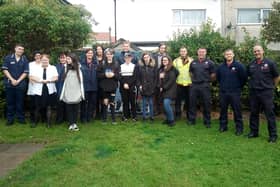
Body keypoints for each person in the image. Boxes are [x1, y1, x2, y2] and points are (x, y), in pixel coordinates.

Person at [247, 45, 280, 143]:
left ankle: (273, 135)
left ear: (263, 51)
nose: (257, 53)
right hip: (254, 92)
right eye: (255, 51)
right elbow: (249, 76)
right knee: (253, 113)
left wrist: (272, 87)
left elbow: (277, 77)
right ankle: (254, 132)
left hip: (266, 92)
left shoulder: (270, 63)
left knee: (269, 114)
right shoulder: (251, 64)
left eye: (258, 51)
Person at [216, 49, 247, 136]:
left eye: (230, 54)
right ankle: (223, 126)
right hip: (223, 92)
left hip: (235, 92)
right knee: (223, 110)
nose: (228, 55)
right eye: (226, 54)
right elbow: (218, 78)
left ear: (233, 55)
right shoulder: (220, 67)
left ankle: (239, 128)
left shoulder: (239, 66)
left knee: (237, 111)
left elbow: (244, 78)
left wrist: (237, 87)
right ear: (224, 56)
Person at [2, 43, 29, 125]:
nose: (21, 51)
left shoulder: (24, 59)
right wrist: (12, 80)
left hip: (20, 84)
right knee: (10, 102)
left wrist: (18, 80)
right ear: (15, 49)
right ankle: (10, 119)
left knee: (20, 102)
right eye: (19, 49)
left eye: (22, 49)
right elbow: (5, 70)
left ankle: (21, 118)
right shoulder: (8, 58)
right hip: (9, 84)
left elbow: (26, 72)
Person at [189, 47, 215, 128]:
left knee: (206, 104)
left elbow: (213, 74)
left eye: (203, 52)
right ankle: (192, 120)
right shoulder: (193, 62)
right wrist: (194, 79)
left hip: (205, 85)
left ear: (205, 53)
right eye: (200, 52)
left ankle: (207, 121)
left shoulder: (210, 62)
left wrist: (208, 81)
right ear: (197, 53)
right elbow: (190, 72)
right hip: (194, 85)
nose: (201, 53)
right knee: (192, 103)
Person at [29, 54, 58, 128]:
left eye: (46, 60)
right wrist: (41, 80)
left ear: (49, 60)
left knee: (49, 107)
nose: (44, 61)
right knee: (37, 107)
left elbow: (56, 77)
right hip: (38, 89)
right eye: (43, 60)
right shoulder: (36, 68)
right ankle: (35, 122)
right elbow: (32, 76)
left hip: (49, 90)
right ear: (40, 60)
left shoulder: (53, 67)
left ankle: (48, 124)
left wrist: (48, 80)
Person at [60, 53, 84, 131]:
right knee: (69, 109)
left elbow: (81, 81)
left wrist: (81, 92)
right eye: (67, 59)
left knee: (76, 109)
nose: (67, 60)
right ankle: (70, 124)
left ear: (73, 59)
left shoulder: (79, 68)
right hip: (68, 90)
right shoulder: (65, 67)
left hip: (77, 91)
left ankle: (75, 123)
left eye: (68, 59)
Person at [97, 49, 119, 124]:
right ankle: (104, 119)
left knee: (112, 103)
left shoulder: (116, 64)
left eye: (111, 54)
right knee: (105, 103)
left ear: (113, 55)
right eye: (108, 54)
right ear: (106, 55)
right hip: (104, 87)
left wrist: (114, 75)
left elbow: (119, 76)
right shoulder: (102, 64)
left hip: (113, 87)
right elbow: (98, 75)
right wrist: (105, 75)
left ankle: (113, 119)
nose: (109, 55)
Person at [173, 46, 193, 121]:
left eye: (184, 51)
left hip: (189, 84)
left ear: (186, 52)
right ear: (179, 52)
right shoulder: (175, 61)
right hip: (179, 84)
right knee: (178, 101)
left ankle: (189, 116)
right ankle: (178, 115)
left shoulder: (191, 60)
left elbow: (194, 71)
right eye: (181, 51)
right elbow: (173, 72)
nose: (183, 52)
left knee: (189, 101)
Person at [159, 55, 179, 127]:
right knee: (164, 105)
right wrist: (160, 86)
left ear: (169, 61)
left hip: (170, 89)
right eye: (163, 60)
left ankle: (171, 120)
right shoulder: (161, 69)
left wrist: (163, 87)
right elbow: (160, 80)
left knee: (166, 104)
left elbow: (171, 80)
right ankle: (167, 119)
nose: (164, 61)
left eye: (166, 60)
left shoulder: (172, 69)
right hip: (163, 90)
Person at [137, 52, 157, 122]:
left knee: (151, 103)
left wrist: (154, 86)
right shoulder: (140, 67)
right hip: (143, 88)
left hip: (151, 88)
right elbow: (138, 78)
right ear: (143, 58)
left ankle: (151, 117)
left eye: (147, 57)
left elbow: (156, 78)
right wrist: (139, 85)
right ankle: (144, 117)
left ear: (150, 58)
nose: (146, 58)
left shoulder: (153, 66)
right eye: (144, 57)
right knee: (144, 103)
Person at [80, 48, 98, 123]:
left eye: (91, 53)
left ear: (93, 55)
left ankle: (89, 117)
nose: (90, 54)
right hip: (85, 87)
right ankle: (83, 118)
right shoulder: (81, 63)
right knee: (84, 103)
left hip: (93, 87)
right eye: (88, 53)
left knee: (92, 103)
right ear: (86, 54)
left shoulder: (95, 64)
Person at [119, 52, 137, 122]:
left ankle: (134, 116)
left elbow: (134, 77)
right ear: (124, 58)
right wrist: (124, 84)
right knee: (125, 102)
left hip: (131, 86)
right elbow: (120, 77)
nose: (128, 59)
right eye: (126, 57)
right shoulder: (121, 66)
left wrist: (128, 84)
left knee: (133, 102)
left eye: (129, 57)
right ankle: (125, 116)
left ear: (131, 58)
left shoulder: (134, 66)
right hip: (123, 86)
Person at [27, 51, 42, 124]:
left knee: (39, 104)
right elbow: (28, 74)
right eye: (36, 55)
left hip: (41, 86)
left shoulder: (43, 64)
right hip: (32, 86)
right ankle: (32, 118)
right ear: (34, 57)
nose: (38, 57)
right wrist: (31, 78)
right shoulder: (30, 64)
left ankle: (40, 118)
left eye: (39, 55)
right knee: (32, 104)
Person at [153, 43, 168, 116]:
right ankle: (156, 110)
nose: (163, 49)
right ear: (159, 48)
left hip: (164, 77)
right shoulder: (154, 56)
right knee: (156, 95)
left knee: (164, 94)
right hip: (156, 77)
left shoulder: (168, 56)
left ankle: (164, 110)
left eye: (164, 48)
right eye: (162, 48)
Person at [55, 52, 67, 124]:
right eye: (61, 58)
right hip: (58, 86)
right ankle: (59, 118)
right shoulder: (56, 66)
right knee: (59, 103)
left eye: (64, 58)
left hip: (67, 86)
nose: (62, 59)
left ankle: (66, 118)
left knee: (66, 103)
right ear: (59, 59)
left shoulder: (69, 66)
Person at [95, 45, 105, 120]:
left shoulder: (105, 59)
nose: (99, 50)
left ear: (102, 50)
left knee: (103, 98)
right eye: (97, 49)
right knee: (96, 99)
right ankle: (97, 114)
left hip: (103, 81)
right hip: (95, 81)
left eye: (100, 49)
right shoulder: (94, 59)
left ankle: (103, 113)